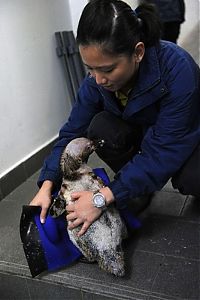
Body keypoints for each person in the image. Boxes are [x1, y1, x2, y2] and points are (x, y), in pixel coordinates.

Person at [30, 0, 200, 237]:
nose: (98, 79)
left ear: (138, 52)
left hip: (183, 138)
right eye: (90, 68)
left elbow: (164, 150)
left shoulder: (178, 69)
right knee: (100, 127)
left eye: (108, 70)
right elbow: (71, 133)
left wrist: (100, 199)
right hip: (147, 135)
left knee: (191, 178)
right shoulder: (96, 82)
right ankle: (135, 190)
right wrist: (47, 184)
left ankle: (132, 185)